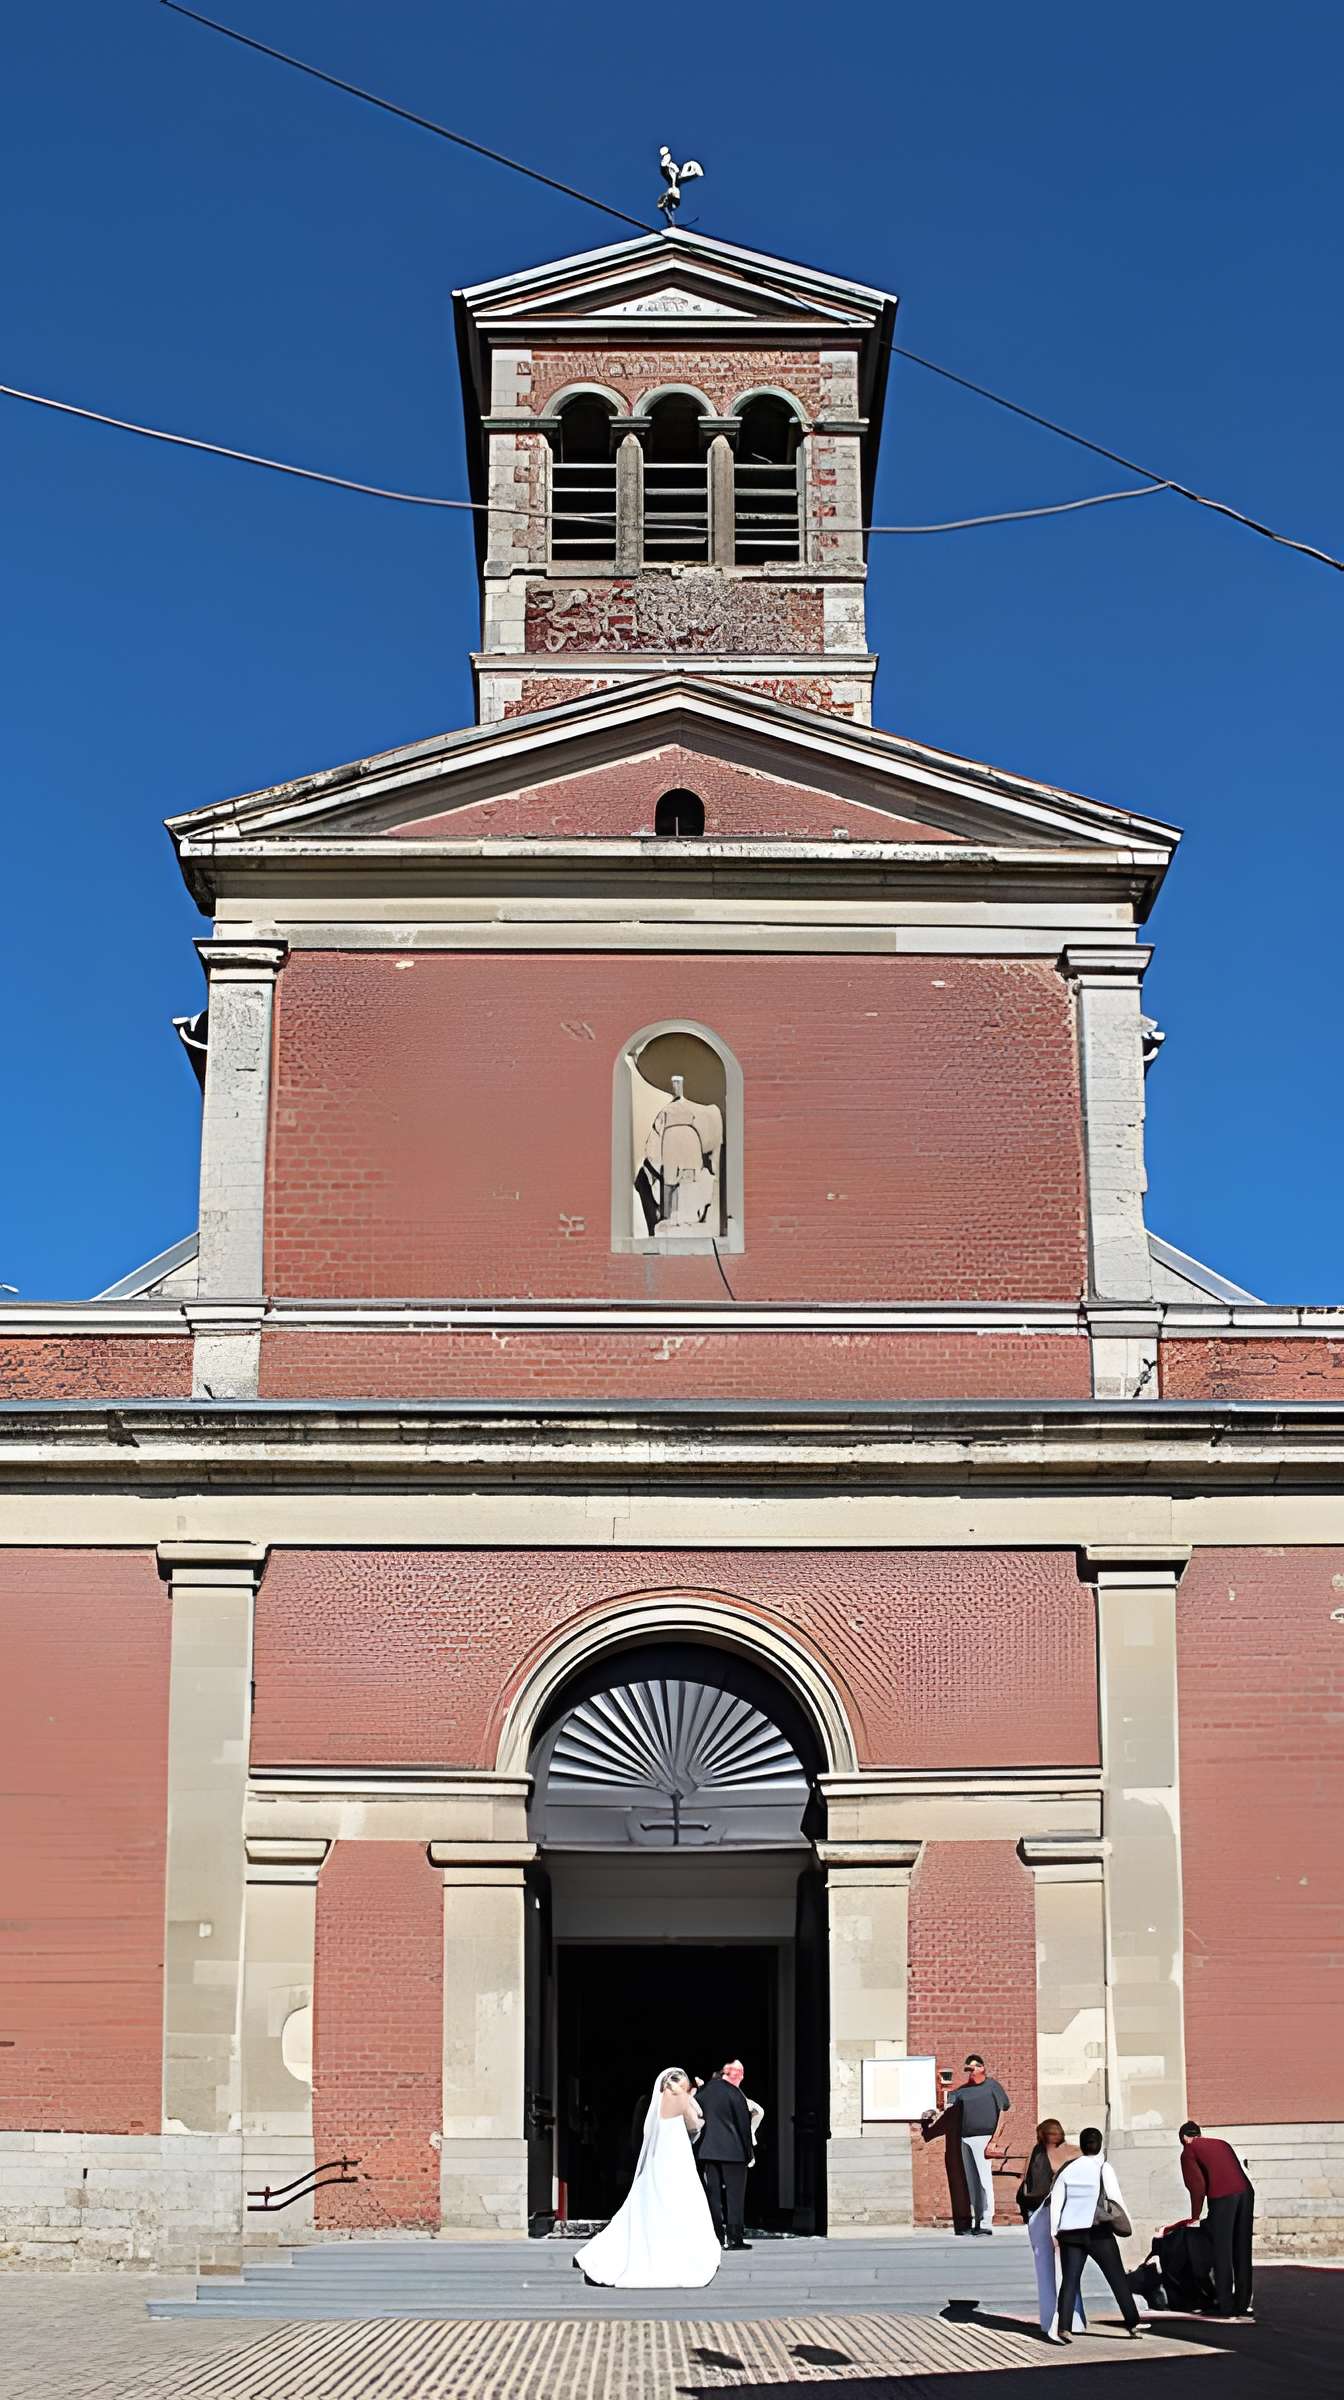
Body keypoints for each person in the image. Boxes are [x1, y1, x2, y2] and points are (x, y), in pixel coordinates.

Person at [574, 2067, 721, 2288]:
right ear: (680, 2085)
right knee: (683, 2200)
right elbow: (694, 2124)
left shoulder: (655, 2103)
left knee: (650, 2198)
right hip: (677, 2155)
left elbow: (644, 2132)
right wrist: (693, 2103)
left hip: (657, 2156)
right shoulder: (681, 2098)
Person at [1048, 2126, 1144, 2344]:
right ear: (1099, 2144)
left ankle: (1064, 2327)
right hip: (1098, 2231)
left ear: (1082, 2145)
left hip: (1070, 2232)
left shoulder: (1068, 2169)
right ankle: (1133, 2323)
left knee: (1070, 2280)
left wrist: (1054, 2232)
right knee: (1116, 2277)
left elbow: (1057, 2201)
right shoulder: (1103, 2167)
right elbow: (1115, 2197)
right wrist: (1126, 2224)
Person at [1170, 2121, 1255, 2317]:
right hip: (1245, 2193)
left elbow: (1196, 2186)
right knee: (1242, 2249)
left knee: (1221, 2250)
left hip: (1223, 2196)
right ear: (1200, 2133)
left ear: (1184, 2138)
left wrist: (1195, 2215)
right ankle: (1243, 2304)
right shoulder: (1222, 2143)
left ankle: (1225, 2304)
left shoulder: (1189, 2150)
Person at [1016, 2118, 1085, 2335]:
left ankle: (1049, 2322)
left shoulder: (1036, 2153)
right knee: (1071, 2271)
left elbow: (1025, 2184)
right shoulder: (1076, 2153)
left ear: (1041, 2135)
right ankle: (1075, 2320)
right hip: (1069, 2216)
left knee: (1045, 2270)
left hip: (1040, 2213)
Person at [695, 2058, 755, 2250]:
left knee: (714, 2196)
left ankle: (717, 2236)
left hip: (708, 2152)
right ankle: (735, 2237)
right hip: (734, 2152)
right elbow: (743, 2125)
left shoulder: (701, 2094)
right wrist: (749, 2152)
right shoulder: (734, 2092)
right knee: (735, 2197)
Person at [950, 2053, 1010, 2235]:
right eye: (967, 2069)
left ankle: (986, 2221)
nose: (970, 2072)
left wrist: (994, 2140)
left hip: (984, 2138)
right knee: (972, 2182)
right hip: (965, 2139)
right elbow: (945, 2104)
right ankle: (977, 2220)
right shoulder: (962, 2091)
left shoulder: (992, 2086)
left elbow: (1003, 2113)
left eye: (973, 2068)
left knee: (984, 2181)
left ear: (982, 2068)